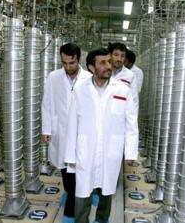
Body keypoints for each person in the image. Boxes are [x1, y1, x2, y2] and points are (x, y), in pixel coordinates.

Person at [65, 48, 139, 223]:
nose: (109, 66)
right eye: (103, 63)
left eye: (109, 61)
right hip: (86, 149)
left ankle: (101, 220)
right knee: (83, 191)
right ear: (92, 67)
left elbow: (131, 123)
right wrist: (70, 155)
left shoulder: (122, 89)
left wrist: (130, 152)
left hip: (110, 149)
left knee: (107, 189)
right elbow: (72, 124)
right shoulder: (80, 89)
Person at [41, 43, 91, 223]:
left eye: (72, 63)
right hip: (60, 130)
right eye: (64, 63)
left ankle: (71, 208)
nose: (68, 67)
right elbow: (46, 103)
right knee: (65, 169)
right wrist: (46, 128)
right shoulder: (53, 77)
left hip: (81, 132)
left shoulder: (89, 78)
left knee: (78, 170)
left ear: (79, 59)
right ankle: (71, 194)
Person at [108, 43, 139, 108]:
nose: (119, 59)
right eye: (116, 55)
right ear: (110, 55)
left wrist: (132, 118)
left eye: (122, 56)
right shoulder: (103, 72)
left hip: (121, 115)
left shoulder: (130, 76)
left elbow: (134, 100)